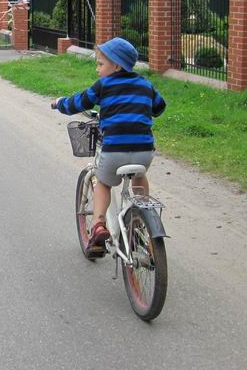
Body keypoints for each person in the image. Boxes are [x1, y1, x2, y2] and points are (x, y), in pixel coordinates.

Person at [55, 37, 166, 253]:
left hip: (114, 151)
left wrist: (60, 103)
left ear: (116, 65)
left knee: (103, 182)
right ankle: (141, 210)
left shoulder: (104, 85)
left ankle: (97, 225)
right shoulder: (145, 84)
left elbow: (79, 102)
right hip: (144, 152)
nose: (97, 70)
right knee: (139, 175)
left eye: (100, 64)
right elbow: (159, 108)